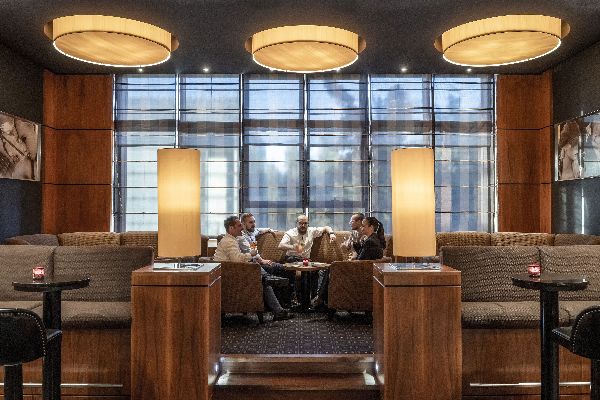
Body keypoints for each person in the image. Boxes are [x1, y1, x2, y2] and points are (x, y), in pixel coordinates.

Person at [214, 215, 293, 321]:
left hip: (239, 269)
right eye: (240, 225)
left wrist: (269, 230)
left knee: (269, 276)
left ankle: (279, 307)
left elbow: (257, 234)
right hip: (233, 274)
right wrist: (255, 256)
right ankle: (270, 284)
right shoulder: (235, 239)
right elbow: (241, 257)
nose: (242, 228)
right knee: (265, 273)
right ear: (231, 228)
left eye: (254, 222)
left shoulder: (242, 236)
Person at [311, 216, 385, 310]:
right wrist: (355, 244)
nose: (361, 228)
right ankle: (321, 299)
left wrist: (351, 261)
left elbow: (360, 261)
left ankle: (320, 299)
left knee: (329, 269)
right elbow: (363, 256)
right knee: (328, 269)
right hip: (364, 272)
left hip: (359, 275)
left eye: (363, 226)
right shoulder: (372, 239)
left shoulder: (370, 242)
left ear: (371, 227)